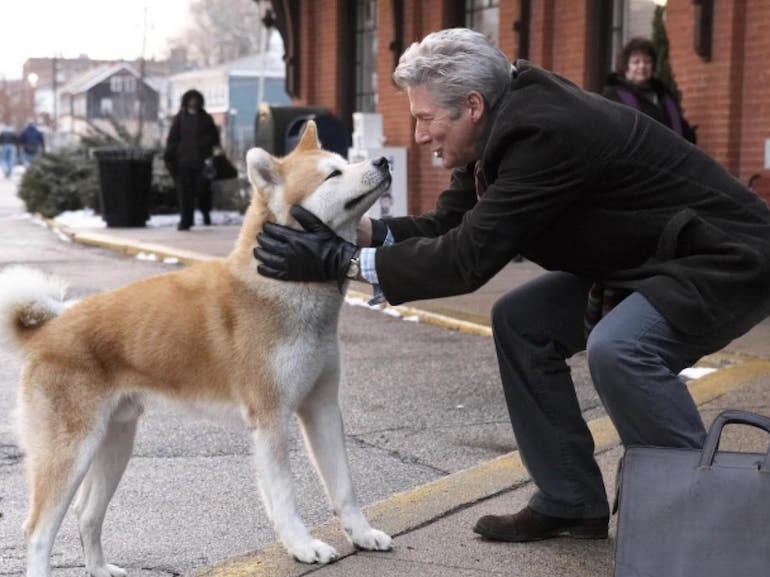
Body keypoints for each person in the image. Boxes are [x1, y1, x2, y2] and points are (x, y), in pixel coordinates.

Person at [254, 28, 770, 543]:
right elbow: (446, 227)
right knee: (521, 321)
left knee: (620, 348)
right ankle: (570, 499)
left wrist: (338, 262)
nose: (419, 135)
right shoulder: (498, 125)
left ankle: (715, 521)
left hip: (722, 256)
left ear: (471, 105)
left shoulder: (541, 134)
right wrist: (354, 233)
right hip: (649, 259)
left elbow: (467, 258)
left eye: (425, 119)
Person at [603, 37, 696, 143]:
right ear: (625, 66)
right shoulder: (613, 96)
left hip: (670, 156)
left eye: (647, 61)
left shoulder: (665, 95)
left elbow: (681, 128)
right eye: (636, 62)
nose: (642, 66)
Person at [163, 89, 220, 230]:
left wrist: (208, 150)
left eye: (196, 99)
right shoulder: (180, 118)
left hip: (202, 163)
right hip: (183, 162)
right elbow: (173, 138)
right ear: (186, 101)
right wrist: (169, 155)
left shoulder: (206, 118)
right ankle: (186, 220)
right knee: (184, 193)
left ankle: (205, 213)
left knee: (202, 191)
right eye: (191, 99)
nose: (193, 102)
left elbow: (214, 139)